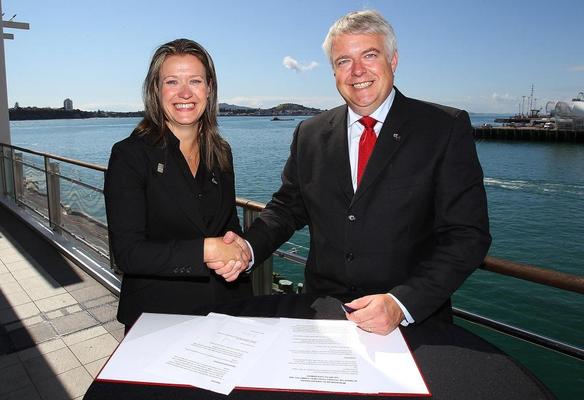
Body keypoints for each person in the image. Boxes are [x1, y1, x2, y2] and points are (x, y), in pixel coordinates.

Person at [223, 10, 491, 335]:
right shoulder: (310, 132)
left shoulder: (443, 128)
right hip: (323, 314)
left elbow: (467, 235)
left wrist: (402, 303)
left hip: (413, 324)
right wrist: (247, 248)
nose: (357, 71)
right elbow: (288, 208)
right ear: (334, 71)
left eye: (369, 55)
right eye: (343, 61)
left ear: (393, 61)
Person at [104, 39, 252, 331]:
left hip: (225, 311)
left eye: (195, 81)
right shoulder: (129, 155)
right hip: (158, 318)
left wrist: (238, 254)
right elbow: (128, 253)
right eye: (172, 82)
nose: (185, 93)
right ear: (156, 90)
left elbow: (229, 225)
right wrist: (205, 251)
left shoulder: (221, 151)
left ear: (209, 88)